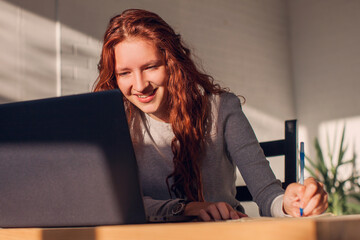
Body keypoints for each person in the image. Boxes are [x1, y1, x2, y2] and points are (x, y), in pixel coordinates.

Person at [93, 9, 328, 221]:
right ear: (114, 78)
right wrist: (185, 208)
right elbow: (116, 204)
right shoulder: (118, 122)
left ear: (171, 63)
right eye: (124, 73)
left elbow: (268, 194)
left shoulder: (222, 109)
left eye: (151, 67)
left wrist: (289, 204)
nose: (140, 85)